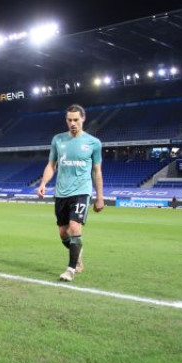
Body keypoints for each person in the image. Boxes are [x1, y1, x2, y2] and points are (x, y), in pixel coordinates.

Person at [37, 104, 104, 283]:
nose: (73, 123)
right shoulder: (58, 140)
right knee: (63, 233)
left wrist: (99, 197)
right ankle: (78, 253)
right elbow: (51, 165)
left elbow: (97, 171)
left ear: (83, 119)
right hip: (61, 192)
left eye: (76, 119)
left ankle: (70, 269)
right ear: (66, 120)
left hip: (81, 191)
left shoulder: (93, 143)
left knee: (75, 227)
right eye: (69, 120)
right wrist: (43, 183)